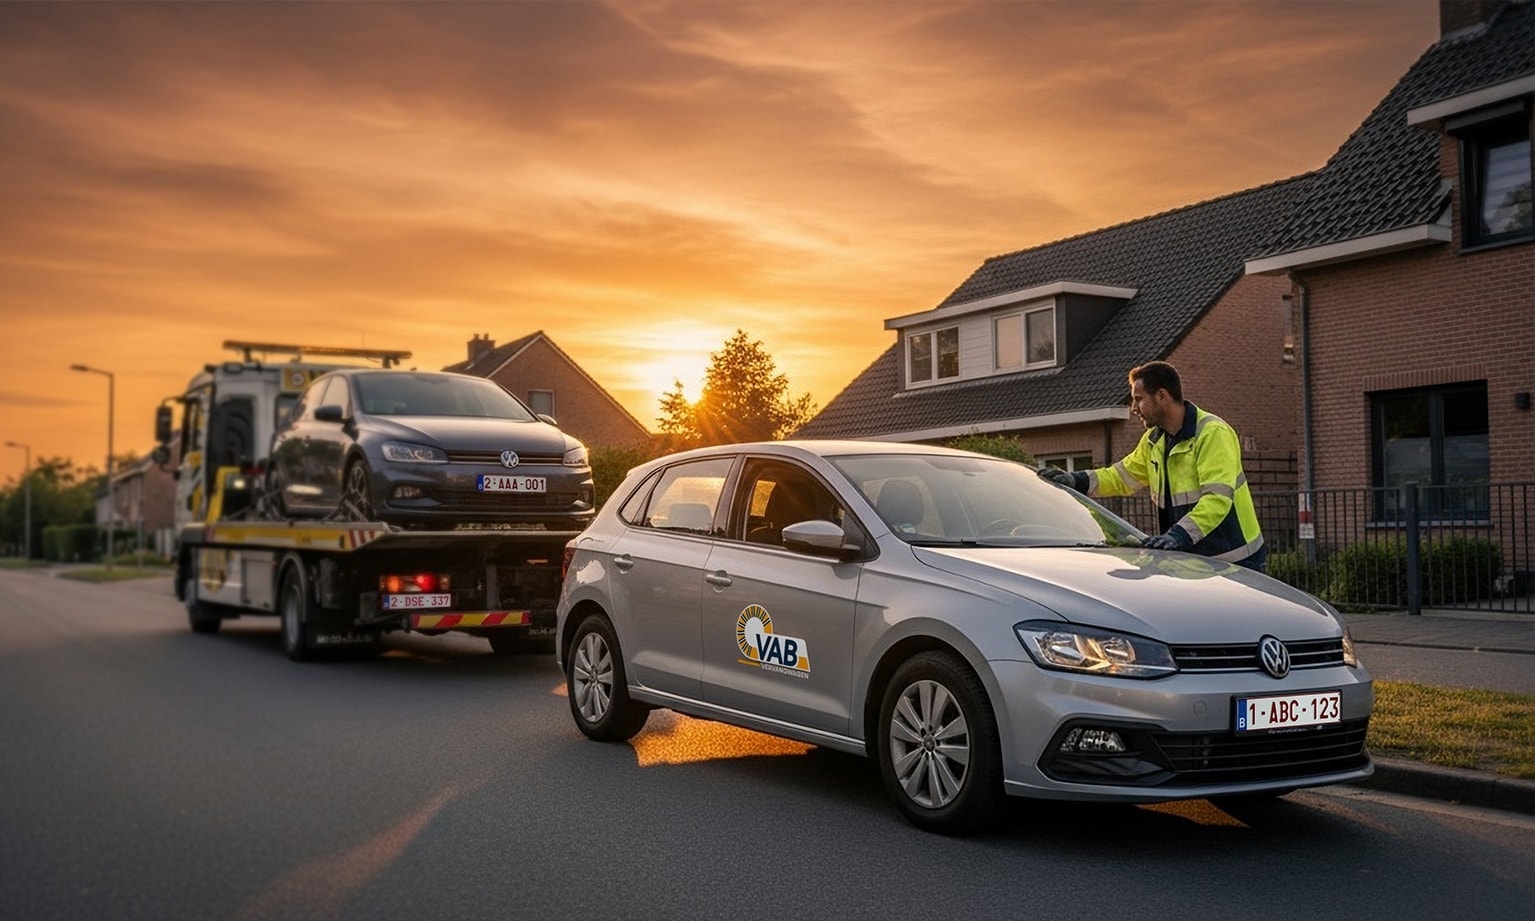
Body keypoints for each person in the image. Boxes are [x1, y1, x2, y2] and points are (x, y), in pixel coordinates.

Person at [1039, 361, 1267, 572]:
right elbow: (1120, 476)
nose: (1133, 408)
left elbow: (1217, 499)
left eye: (1138, 399)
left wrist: (1177, 536)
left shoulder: (1212, 433)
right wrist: (1075, 480)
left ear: (1161, 396)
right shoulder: (1154, 441)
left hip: (1236, 562)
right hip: (1193, 563)